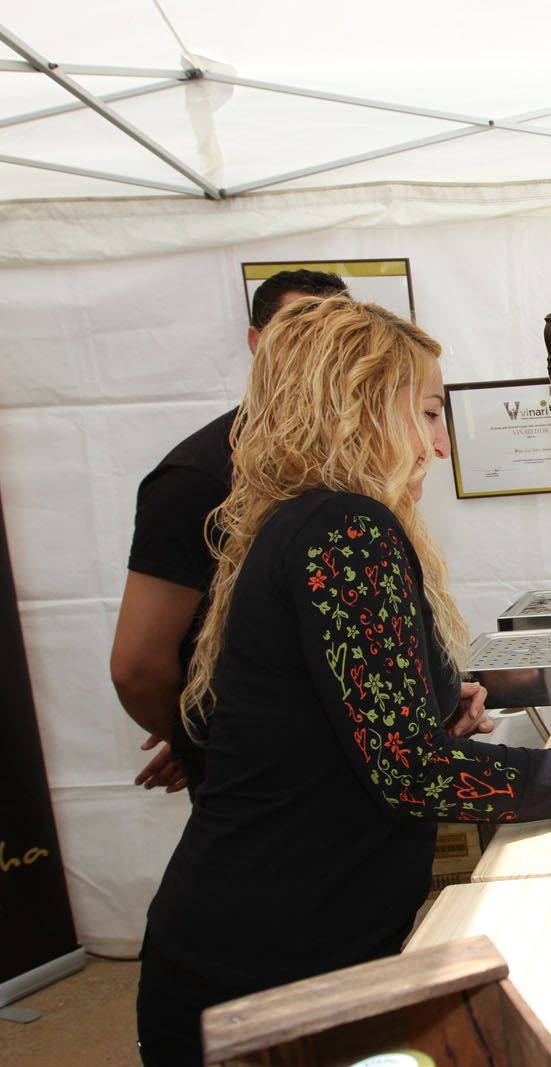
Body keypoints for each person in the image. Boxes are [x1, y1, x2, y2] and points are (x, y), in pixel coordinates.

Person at [135, 297, 551, 1065]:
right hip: (266, 978)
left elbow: (329, 716)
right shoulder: (345, 529)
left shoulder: (300, 523)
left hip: (246, 947)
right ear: (362, 404)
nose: (439, 445)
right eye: (430, 412)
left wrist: (435, 704)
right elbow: (414, 774)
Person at [110, 269, 350, 797]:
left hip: (349, 771)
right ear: (256, 342)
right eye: (299, 329)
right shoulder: (198, 476)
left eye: (335, 333)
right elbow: (137, 666)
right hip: (267, 793)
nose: (317, 349)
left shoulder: (348, 462)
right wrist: (204, 743)